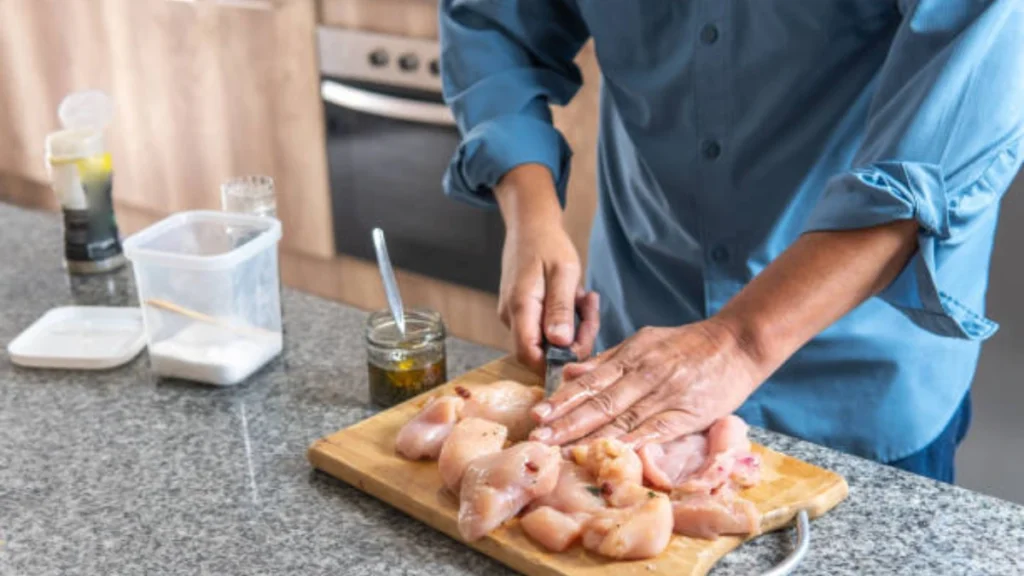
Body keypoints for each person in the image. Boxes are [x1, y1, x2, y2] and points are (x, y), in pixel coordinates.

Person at [438, 0, 1024, 483]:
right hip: (641, 326)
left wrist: (739, 341)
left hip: (854, 372)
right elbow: (493, 22)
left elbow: (936, 164)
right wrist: (530, 210)